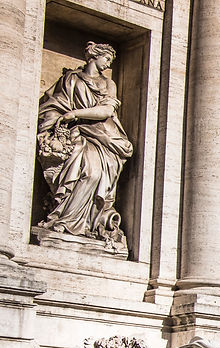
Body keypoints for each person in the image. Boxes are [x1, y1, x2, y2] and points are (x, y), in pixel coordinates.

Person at [36, 41, 133, 251]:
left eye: (111, 61)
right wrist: (58, 120)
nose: (108, 64)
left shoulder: (109, 84)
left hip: (104, 135)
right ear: (94, 56)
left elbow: (106, 111)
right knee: (81, 169)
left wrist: (75, 113)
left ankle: (85, 224)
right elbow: (54, 104)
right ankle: (64, 220)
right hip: (77, 133)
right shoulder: (70, 79)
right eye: (106, 59)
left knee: (95, 175)